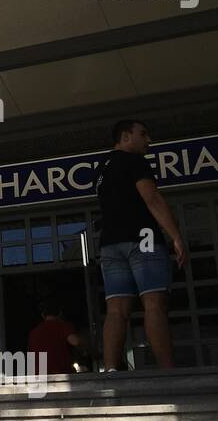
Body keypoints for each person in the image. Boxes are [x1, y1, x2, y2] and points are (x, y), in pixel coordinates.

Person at [95, 119, 189, 370]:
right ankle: (168, 370)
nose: (148, 140)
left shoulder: (102, 168)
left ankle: (111, 370)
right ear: (126, 136)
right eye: (143, 134)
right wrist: (176, 236)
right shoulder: (134, 161)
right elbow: (152, 199)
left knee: (116, 310)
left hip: (109, 244)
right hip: (142, 239)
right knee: (154, 303)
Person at [26, 301, 80, 375]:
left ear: (43, 314)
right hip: (61, 375)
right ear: (60, 313)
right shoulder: (62, 326)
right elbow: (75, 341)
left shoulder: (34, 332)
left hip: (40, 377)